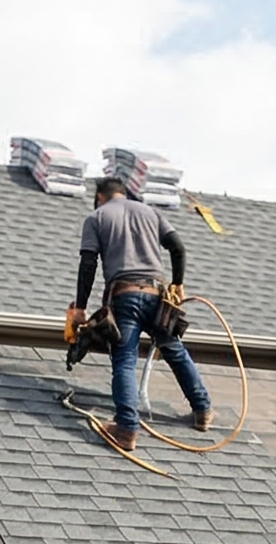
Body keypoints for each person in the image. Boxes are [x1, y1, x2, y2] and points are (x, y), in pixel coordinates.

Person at [67, 177, 207, 450]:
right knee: (173, 349)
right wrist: (177, 283)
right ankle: (203, 412)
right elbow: (178, 248)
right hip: (158, 295)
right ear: (124, 193)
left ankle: (126, 429)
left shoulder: (96, 217)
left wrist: (80, 309)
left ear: (100, 197)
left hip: (126, 295)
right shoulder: (149, 211)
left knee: (124, 360)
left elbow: (88, 263)